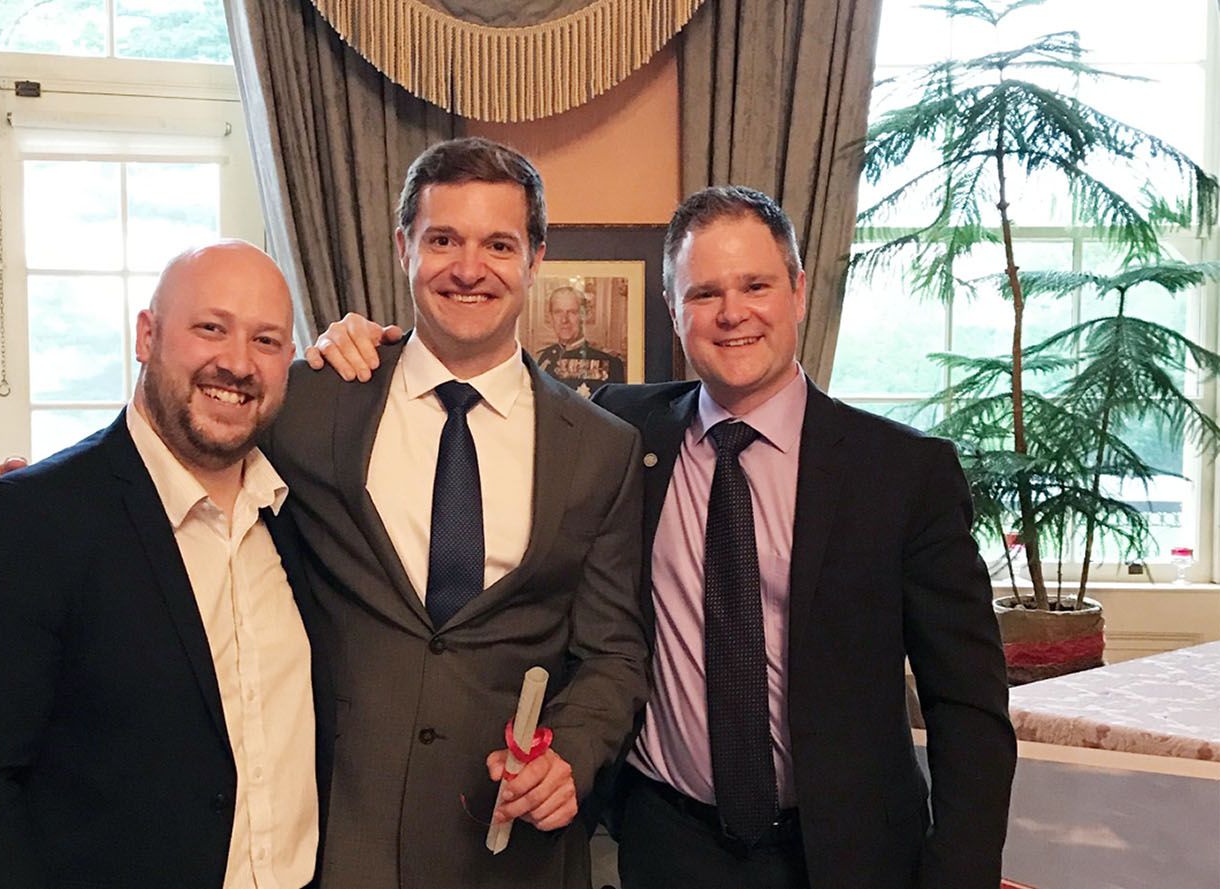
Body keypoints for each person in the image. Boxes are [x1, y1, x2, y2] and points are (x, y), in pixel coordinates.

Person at [0, 138, 648, 889]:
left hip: (511, 859)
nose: (468, 268)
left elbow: (614, 653)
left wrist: (569, 748)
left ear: (536, 258)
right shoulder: (312, 398)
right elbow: (177, 431)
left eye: (498, 244)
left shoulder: (601, 448)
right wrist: (16, 495)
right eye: (443, 239)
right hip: (338, 849)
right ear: (406, 246)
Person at [310, 185, 1016, 889]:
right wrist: (368, 343)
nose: (732, 312)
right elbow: (483, 372)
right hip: (666, 844)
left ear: (798, 292)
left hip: (848, 852)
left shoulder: (903, 472)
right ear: (673, 311)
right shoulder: (621, 434)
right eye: (704, 292)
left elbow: (968, 704)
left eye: (756, 285)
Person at [0, 243, 329, 889]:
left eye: (267, 339)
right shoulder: (27, 521)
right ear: (146, 334)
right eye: (210, 327)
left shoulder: (298, 513)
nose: (238, 362)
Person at [534, 285, 626, 396]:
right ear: (551, 317)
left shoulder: (610, 361)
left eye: (572, 312)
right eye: (558, 312)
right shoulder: (541, 360)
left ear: (584, 315)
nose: (564, 320)